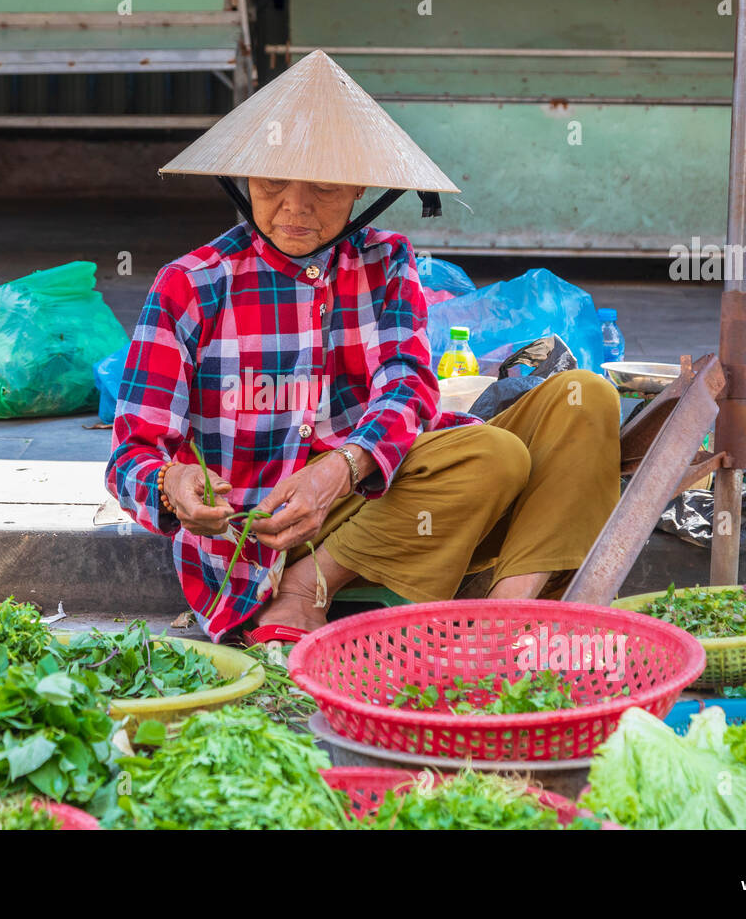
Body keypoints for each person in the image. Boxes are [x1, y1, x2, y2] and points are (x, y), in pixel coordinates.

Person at [106, 51, 620, 646]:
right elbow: (131, 456)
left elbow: (408, 387)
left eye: (324, 186)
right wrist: (171, 485)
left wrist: (342, 468)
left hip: (373, 496)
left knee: (587, 396)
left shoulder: (386, 260)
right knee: (493, 457)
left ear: (359, 190)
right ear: (244, 180)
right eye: (273, 182)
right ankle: (302, 590)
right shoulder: (190, 285)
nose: (295, 206)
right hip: (263, 543)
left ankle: (507, 621)